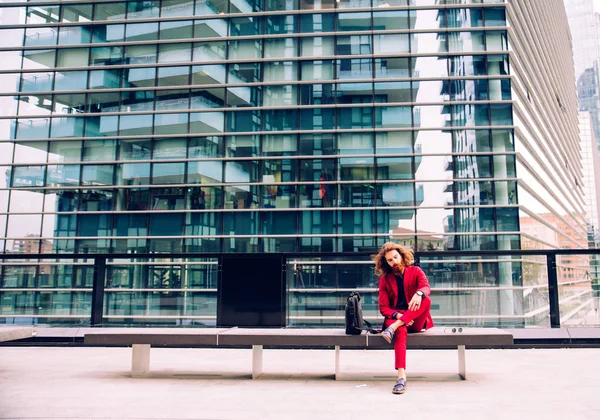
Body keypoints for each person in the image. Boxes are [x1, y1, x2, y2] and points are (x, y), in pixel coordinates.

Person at [372, 242, 434, 394]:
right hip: (396, 317)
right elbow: (384, 308)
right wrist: (399, 316)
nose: (394, 262)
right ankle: (401, 377)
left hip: (414, 317)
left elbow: (426, 288)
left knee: (426, 300)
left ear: (401, 256)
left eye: (395, 257)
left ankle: (394, 327)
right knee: (400, 330)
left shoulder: (416, 271)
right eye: (390, 260)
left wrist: (419, 294)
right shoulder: (385, 280)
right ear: (386, 263)